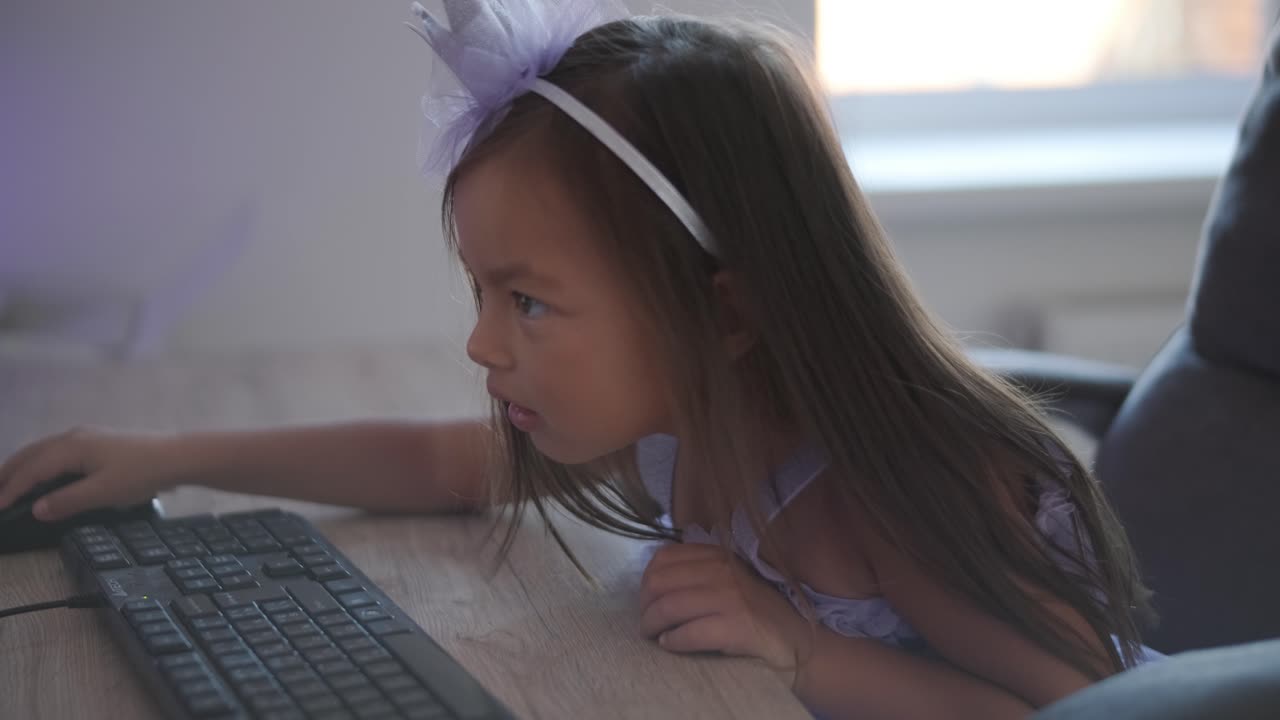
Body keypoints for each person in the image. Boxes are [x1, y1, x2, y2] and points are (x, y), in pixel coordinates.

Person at [0, 2, 1158, 716]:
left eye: (528, 302)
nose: (479, 342)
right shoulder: (680, 434)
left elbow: (1087, 713)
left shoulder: (888, 492)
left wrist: (799, 650)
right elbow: (438, 464)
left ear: (723, 312)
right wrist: (168, 457)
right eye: (481, 293)